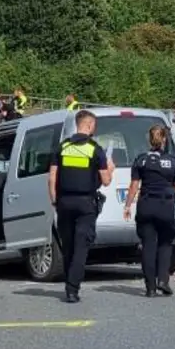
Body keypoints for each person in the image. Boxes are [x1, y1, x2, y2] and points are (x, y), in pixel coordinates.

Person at [48, 109, 113, 303]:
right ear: (89, 125)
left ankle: (70, 283)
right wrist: (110, 168)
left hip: (64, 202)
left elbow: (51, 178)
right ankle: (72, 289)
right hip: (85, 203)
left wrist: (54, 200)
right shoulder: (95, 149)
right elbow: (106, 181)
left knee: (68, 246)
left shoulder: (62, 147)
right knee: (81, 247)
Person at [123, 124, 175, 297]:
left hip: (146, 206)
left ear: (149, 140)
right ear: (164, 139)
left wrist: (127, 206)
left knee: (148, 246)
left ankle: (150, 287)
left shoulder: (141, 160)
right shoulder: (172, 161)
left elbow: (134, 185)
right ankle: (163, 280)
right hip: (165, 207)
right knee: (165, 243)